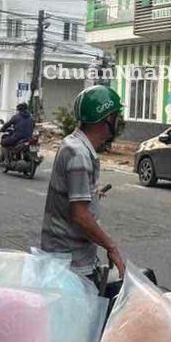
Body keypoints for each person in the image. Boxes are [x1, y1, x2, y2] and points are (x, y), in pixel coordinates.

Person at [40, 85, 126, 281]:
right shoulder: (79, 154)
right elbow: (80, 216)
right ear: (107, 119)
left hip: (68, 259)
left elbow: (71, 194)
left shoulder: (74, 144)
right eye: (116, 116)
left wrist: (91, 194)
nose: (118, 120)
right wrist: (111, 246)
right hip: (69, 266)